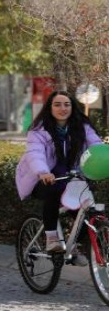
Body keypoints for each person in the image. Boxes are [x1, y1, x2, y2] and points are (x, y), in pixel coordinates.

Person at [15, 90, 102, 265]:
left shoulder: (82, 127)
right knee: (53, 192)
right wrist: (43, 172)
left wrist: (102, 159)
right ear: (50, 108)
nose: (62, 108)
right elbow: (35, 154)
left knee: (85, 210)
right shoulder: (38, 130)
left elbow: (96, 146)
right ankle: (51, 238)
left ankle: (73, 246)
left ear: (72, 107)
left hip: (71, 175)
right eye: (57, 104)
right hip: (41, 177)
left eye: (66, 104)